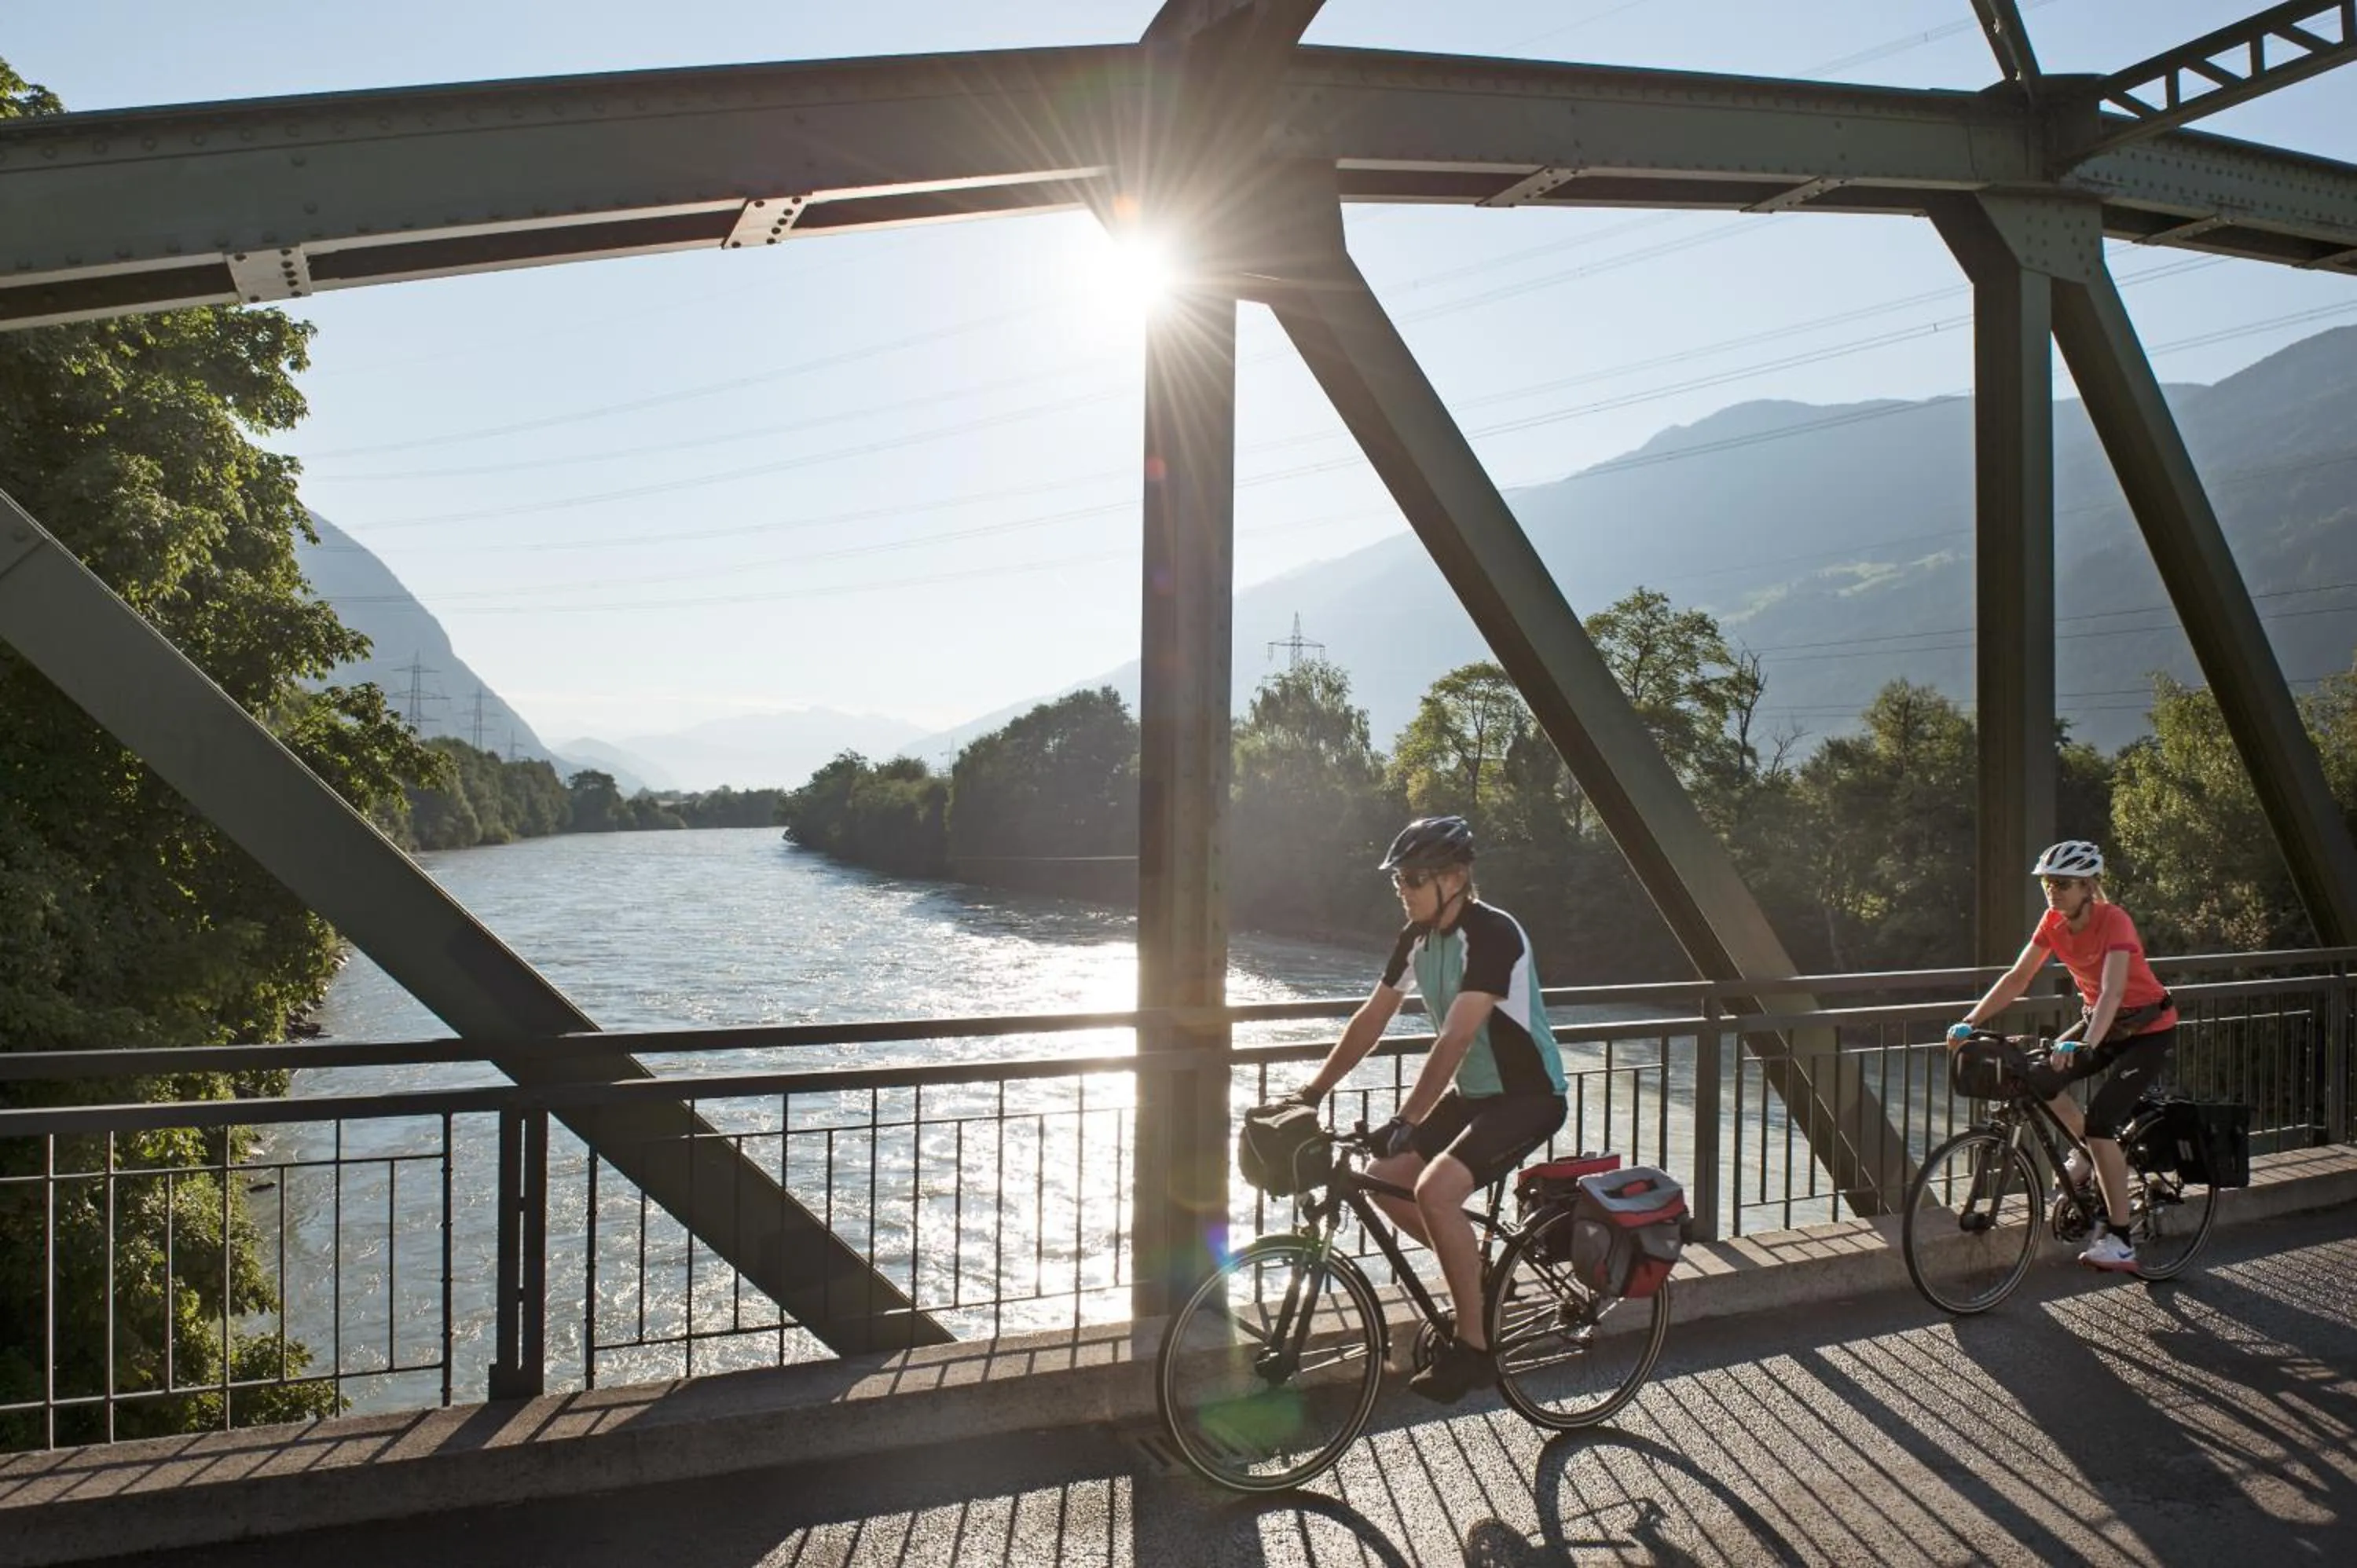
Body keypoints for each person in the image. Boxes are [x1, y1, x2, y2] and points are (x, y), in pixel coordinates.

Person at [1285, 815, 1569, 1402]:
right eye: (1400, 880)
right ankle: (1482, 1275)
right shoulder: (1417, 937)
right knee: (1387, 1180)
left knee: (1435, 1191)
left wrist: (1409, 1119)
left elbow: (1456, 1038)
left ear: (1458, 878)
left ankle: (1475, 1350)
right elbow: (1372, 1017)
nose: (1404, 889)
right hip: (1474, 1096)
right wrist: (1311, 1092)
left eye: (1415, 878)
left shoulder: (1493, 933)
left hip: (1529, 1096)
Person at [1945, 839, 2178, 1274]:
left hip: (2146, 1029)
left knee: (2101, 1123)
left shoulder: (2114, 920)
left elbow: (2111, 991)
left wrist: (2086, 1041)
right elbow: (2018, 977)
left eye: (2064, 884)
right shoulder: (2053, 921)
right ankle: (2088, 1156)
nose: (2054, 891)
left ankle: (2122, 1239)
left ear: (2088, 886)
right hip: (2101, 1023)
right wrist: (1971, 1020)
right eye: (2048, 883)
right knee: (2037, 1078)